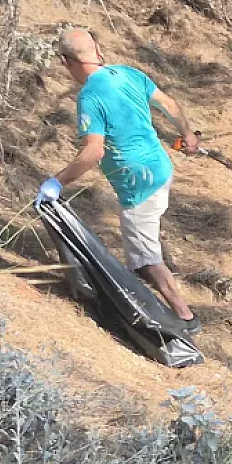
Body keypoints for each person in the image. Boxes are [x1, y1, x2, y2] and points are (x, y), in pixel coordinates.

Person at [38, 28, 201, 332]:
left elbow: (93, 151)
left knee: (146, 262)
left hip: (139, 187)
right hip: (162, 170)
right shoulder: (128, 73)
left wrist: (57, 182)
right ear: (97, 51)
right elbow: (168, 103)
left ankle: (186, 320)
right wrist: (188, 135)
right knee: (139, 250)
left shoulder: (90, 97)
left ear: (65, 62)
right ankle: (140, 290)